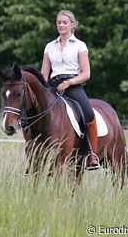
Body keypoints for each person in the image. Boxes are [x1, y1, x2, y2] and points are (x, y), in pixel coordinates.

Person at [41, 10, 100, 170]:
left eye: (64, 22)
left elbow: (86, 73)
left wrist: (68, 83)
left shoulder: (80, 45)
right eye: (59, 22)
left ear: (72, 25)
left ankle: (92, 154)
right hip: (53, 87)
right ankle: (35, 154)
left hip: (73, 86)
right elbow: (44, 74)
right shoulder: (49, 46)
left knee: (89, 114)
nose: (61, 25)